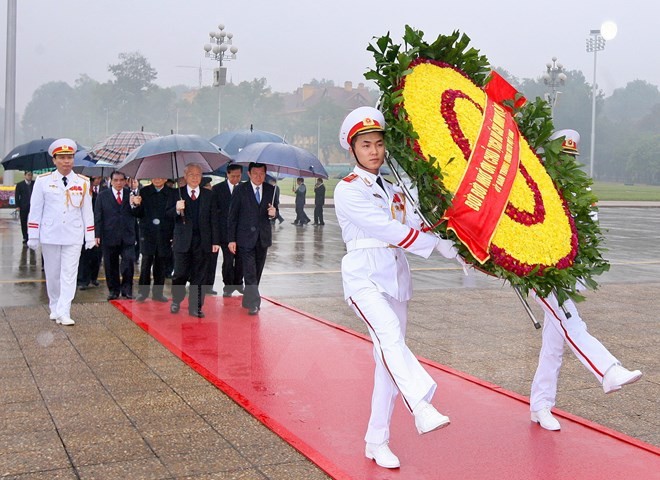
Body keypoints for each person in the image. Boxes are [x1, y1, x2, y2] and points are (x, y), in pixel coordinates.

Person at [335, 107, 463, 469]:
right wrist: (434, 245)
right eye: (365, 145)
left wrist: (452, 246)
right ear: (353, 149)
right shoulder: (348, 190)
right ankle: (421, 405)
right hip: (363, 277)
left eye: (378, 144)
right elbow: (386, 229)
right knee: (389, 334)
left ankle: (377, 439)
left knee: (386, 361)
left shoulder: (394, 189)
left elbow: (417, 224)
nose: (373, 151)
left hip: (396, 278)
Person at [529, 129, 642, 431]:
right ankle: (608, 370)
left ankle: (540, 405)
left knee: (553, 346)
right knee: (572, 323)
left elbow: (589, 236)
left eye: (570, 159)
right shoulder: (536, 193)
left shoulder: (580, 195)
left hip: (569, 279)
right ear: (548, 159)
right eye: (560, 158)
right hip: (542, 277)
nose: (565, 164)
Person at [26, 139, 95, 326]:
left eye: (70, 157)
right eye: (62, 158)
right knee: (53, 274)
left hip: (73, 235)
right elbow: (35, 209)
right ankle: (55, 305)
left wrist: (89, 236)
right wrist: (33, 235)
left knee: (69, 274)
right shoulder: (43, 181)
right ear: (54, 160)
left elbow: (87, 211)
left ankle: (65, 310)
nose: (67, 161)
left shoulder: (82, 182)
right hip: (50, 234)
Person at [167, 163, 220, 318]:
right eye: (191, 174)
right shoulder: (176, 194)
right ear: (185, 176)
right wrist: (177, 209)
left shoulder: (209, 195)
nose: (195, 178)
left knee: (199, 276)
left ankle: (195, 306)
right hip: (182, 241)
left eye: (198, 175)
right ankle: (176, 300)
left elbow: (214, 220)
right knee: (180, 274)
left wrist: (215, 241)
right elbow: (167, 216)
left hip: (202, 242)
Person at [227, 162, 278, 315]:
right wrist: (231, 239)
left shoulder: (272, 190)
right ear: (248, 174)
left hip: (262, 238)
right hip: (244, 238)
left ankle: (247, 300)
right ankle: (254, 303)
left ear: (265, 174)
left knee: (257, 272)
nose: (258, 176)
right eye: (255, 173)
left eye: (261, 173)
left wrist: (274, 213)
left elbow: (275, 213)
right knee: (249, 271)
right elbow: (232, 217)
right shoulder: (240, 190)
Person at [131, 178, 175, 302]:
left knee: (160, 265)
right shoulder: (144, 191)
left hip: (164, 233)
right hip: (147, 233)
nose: (157, 179)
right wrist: (136, 204)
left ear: (165, 179)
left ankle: (158, 293)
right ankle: (143, 292)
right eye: (155, 177)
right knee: (145, 263)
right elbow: (137, 214)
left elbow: (173, 215)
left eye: (160, 177)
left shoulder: (172, 193)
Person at [94, 171, 137, 300]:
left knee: (128, 262)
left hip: (127, 235)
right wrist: (97, 234)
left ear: (125, 181)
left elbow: (138, 213)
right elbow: (98, 216)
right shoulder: (102, 196)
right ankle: (113, 290)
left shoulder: (131, 195)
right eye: (116, 180)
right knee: (110, 264)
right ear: (110, 181)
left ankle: (127, 289)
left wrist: (135, 203)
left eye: (121, 180)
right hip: (109, 235)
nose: (118, 183)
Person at [210, 164, 245, 297]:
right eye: (233, 176)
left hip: (241, 232)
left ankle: (238, 282)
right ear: (227, 175)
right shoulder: (217, 189)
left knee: (241, 259)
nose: (236, 179)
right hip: (224, 233)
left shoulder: (245, 188)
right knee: (228, 260)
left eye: (238, 176)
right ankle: (228, 285)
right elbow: (214, 212)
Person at [77, 176, 103, 290]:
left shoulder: (99, 197)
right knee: (84, 256)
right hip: (83, 229)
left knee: (96, 256)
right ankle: (83, 280)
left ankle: (94, 277)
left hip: (97, 229)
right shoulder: (80, 198)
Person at [15, 171, 34, 244]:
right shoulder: (20, 184)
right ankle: (25, 236)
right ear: (25, 175)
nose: (30, 176)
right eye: (28, 175)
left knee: (33, 221)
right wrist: (17, 205)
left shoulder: (34, 183)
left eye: (31, 175)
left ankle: (32, 236)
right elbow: (17, 195)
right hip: (23, 205)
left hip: (33, 205)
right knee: (23, 221)